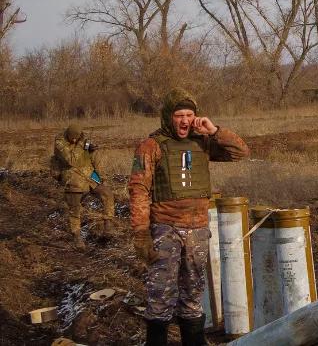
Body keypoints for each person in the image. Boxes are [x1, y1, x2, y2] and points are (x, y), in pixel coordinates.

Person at [128, 89, 249, 346]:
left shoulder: (202, 141)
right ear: (168, 117)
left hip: (197, 230)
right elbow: (138, 189)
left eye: (189, 115)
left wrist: (213, 130)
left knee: (193, 294)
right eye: (179, 115)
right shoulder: (152, 146)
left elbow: (240, 152)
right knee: (160, 295)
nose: (184, 121)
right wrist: (140, 233)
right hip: (165, 230)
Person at [52, 124, 116, 248]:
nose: (75, 140)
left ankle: (108, 225)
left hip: (89, 178)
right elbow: (71, 160)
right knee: (75, 211)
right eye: (73, 138)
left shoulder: (84, 141)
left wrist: (102, 176)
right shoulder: (60, 142)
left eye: (77, 138)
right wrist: (82, 145)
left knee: (107, 194)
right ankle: (77, 238)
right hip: (72, 180)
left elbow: (93, 159)